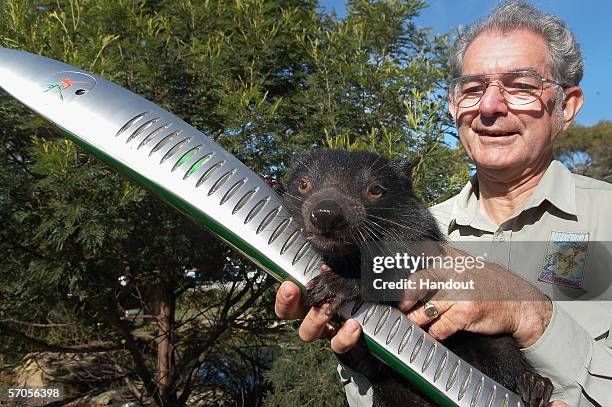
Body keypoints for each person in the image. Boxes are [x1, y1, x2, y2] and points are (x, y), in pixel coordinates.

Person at [274, 1, 612, 406]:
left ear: (567, 106)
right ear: (454, 107)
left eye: (521, 86)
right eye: (472, 89)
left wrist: (529, 315)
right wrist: (364, 354)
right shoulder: (401, 230)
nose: (489, 107)